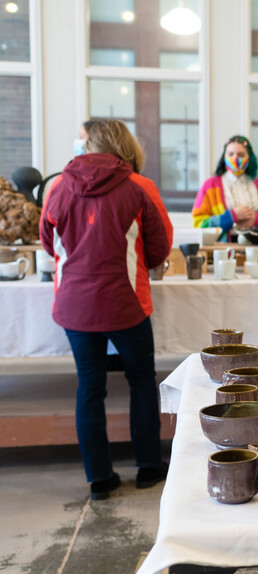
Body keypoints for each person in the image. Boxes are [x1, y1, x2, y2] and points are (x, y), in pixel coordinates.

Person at [39, 120, 173, 500]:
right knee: (142, 382)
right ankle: (148, 467)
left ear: (92, 144)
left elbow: (48, 244)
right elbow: (161, 246)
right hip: (125, 301)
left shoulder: (58, 187)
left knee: (89, 386)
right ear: (123, 144)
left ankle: (99, 478)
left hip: (75, 306)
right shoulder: (139, 187)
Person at [192, 135, 258, 241]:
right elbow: (198, 225)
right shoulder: (210, 186)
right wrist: (230, 217)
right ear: (224, 156)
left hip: (257, 252)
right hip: (222, 253)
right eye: (230, 154)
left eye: (241, 155)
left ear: (249, 158)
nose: (235, 158)